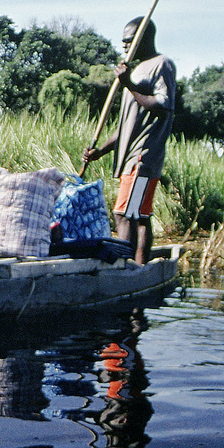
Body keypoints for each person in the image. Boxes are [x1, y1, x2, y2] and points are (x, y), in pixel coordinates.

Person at [81, 17, 177, 265]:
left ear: (144, 38)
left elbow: (162, 106)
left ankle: (128, 268)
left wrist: (129, 84)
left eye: (129, 40)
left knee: (125, 214)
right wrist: (99, 151)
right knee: (137, 214)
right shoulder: (134, 69)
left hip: (142, 157)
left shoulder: (161, 64)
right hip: (131, 157)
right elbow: (126, 127)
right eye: (123, 41)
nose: (124, 45)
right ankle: (138, 266)